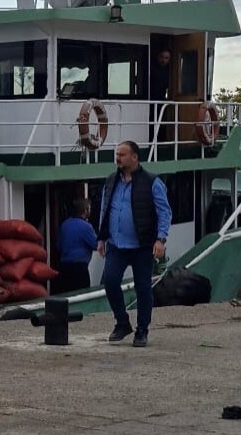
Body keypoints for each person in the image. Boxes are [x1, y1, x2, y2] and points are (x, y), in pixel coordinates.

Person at [97, 139, 171, 347]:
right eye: (117, 154)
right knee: (110, 282)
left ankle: (142, 330)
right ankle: (122, 322)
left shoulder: (152, 181)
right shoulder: (111, 180)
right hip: (116, 245)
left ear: (134, 157)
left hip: (142, 245)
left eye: (122, 154)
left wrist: (160, 238)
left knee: (143, 288)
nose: (117, 158)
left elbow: (164, 212)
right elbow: (105, 209)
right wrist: (101, 238)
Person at [53, 197, 98, 293]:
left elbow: (59, 246)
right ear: (85, 210)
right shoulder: (86, 227)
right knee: (82, 296)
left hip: (64, 268)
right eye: (89, 208)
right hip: (79, 269)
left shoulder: (65, 224)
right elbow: (97, 245)